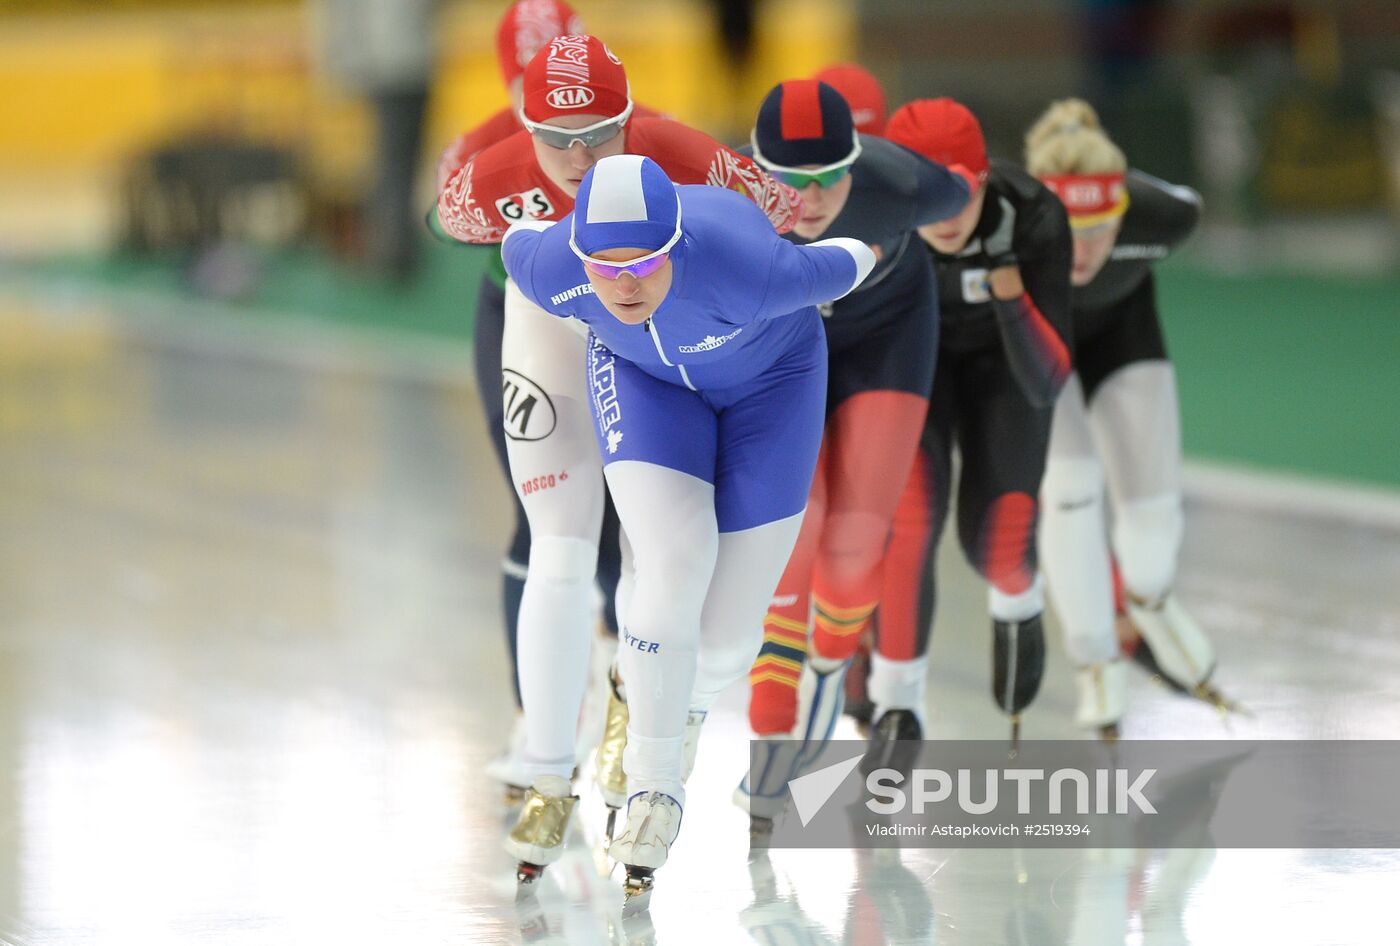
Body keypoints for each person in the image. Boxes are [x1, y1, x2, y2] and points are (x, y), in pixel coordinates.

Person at [435, 35, 804, 881]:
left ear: (633, 119)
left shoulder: (680, 151)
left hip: (643, 340)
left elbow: (777, 216)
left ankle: (635, 712)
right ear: (521, 127)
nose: (574, 156)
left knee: (655, 550)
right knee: (558, 545)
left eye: (600, 132)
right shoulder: (489, 180)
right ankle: (542, 771)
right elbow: (448, 219)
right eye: (553, 137)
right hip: (547, 317)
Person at [502, 154, 875, 898]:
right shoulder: (553, 267)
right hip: (645, 388)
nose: (625, 285)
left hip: (774, 387)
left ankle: (671, 692)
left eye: (643, 263)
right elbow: (520, 235)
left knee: (732, 640)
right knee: (676, 556)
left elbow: (857, 255)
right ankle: (653, 789)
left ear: (675, 246)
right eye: (604, 270)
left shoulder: (752, 268)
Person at [431, 4, 669, 802]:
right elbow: (448, 217)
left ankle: (625, 692)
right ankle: (537, 718)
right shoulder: (482, 150)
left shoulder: (637, 133)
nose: (571, 136)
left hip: (622, 321)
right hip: (521, 322)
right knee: (542, 522)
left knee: (633, 521)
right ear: (509, 82)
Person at [736, 79, 974, 828]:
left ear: (857, 162)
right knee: (795, 530)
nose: (807, 201)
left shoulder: (905, 183)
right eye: (787, 180)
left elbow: (972, 198)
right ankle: (773, 728)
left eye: (827, 179)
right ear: (753, 168)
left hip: (886, 338)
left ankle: (832, 672)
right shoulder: (729, 195)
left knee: (857, 537)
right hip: (785, 346)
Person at [1024, 98, 1233, 735]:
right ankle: (1095, 663)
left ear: (1126, 210)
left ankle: (1151, 600)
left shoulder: (1168, 216)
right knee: (1070, 487)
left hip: (1125, 339)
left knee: (1151, 520)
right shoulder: (1003, 220)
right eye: (1068, 229)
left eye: (1100, 228)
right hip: (1045, 351)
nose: (1083, 250)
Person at [874, 98, 1074, 748]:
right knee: (908, 520)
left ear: (986, 179)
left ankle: (1018, 596)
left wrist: (1011, 299)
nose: (945, 215)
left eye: (960, 192)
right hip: (918, 366)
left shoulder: (1035, 216)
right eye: (928, 196)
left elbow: (1047, 381)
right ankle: (897, 707)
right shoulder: (868, 217)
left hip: (1005, 372)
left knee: (996, 544)